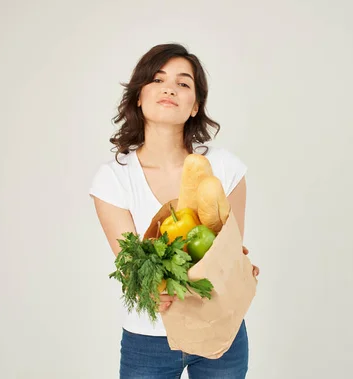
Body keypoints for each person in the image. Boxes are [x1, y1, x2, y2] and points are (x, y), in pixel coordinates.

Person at [89, 43, 260, 379]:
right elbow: (131, 266)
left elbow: (229, 249)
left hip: (221, 331)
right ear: (139, 96)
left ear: (195, 105)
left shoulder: (223, 168)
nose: (169, 87)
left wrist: (240, 269)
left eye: (183, 83)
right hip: (149, 340)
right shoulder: (114, 178)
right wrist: (151, 289)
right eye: (157, 79)